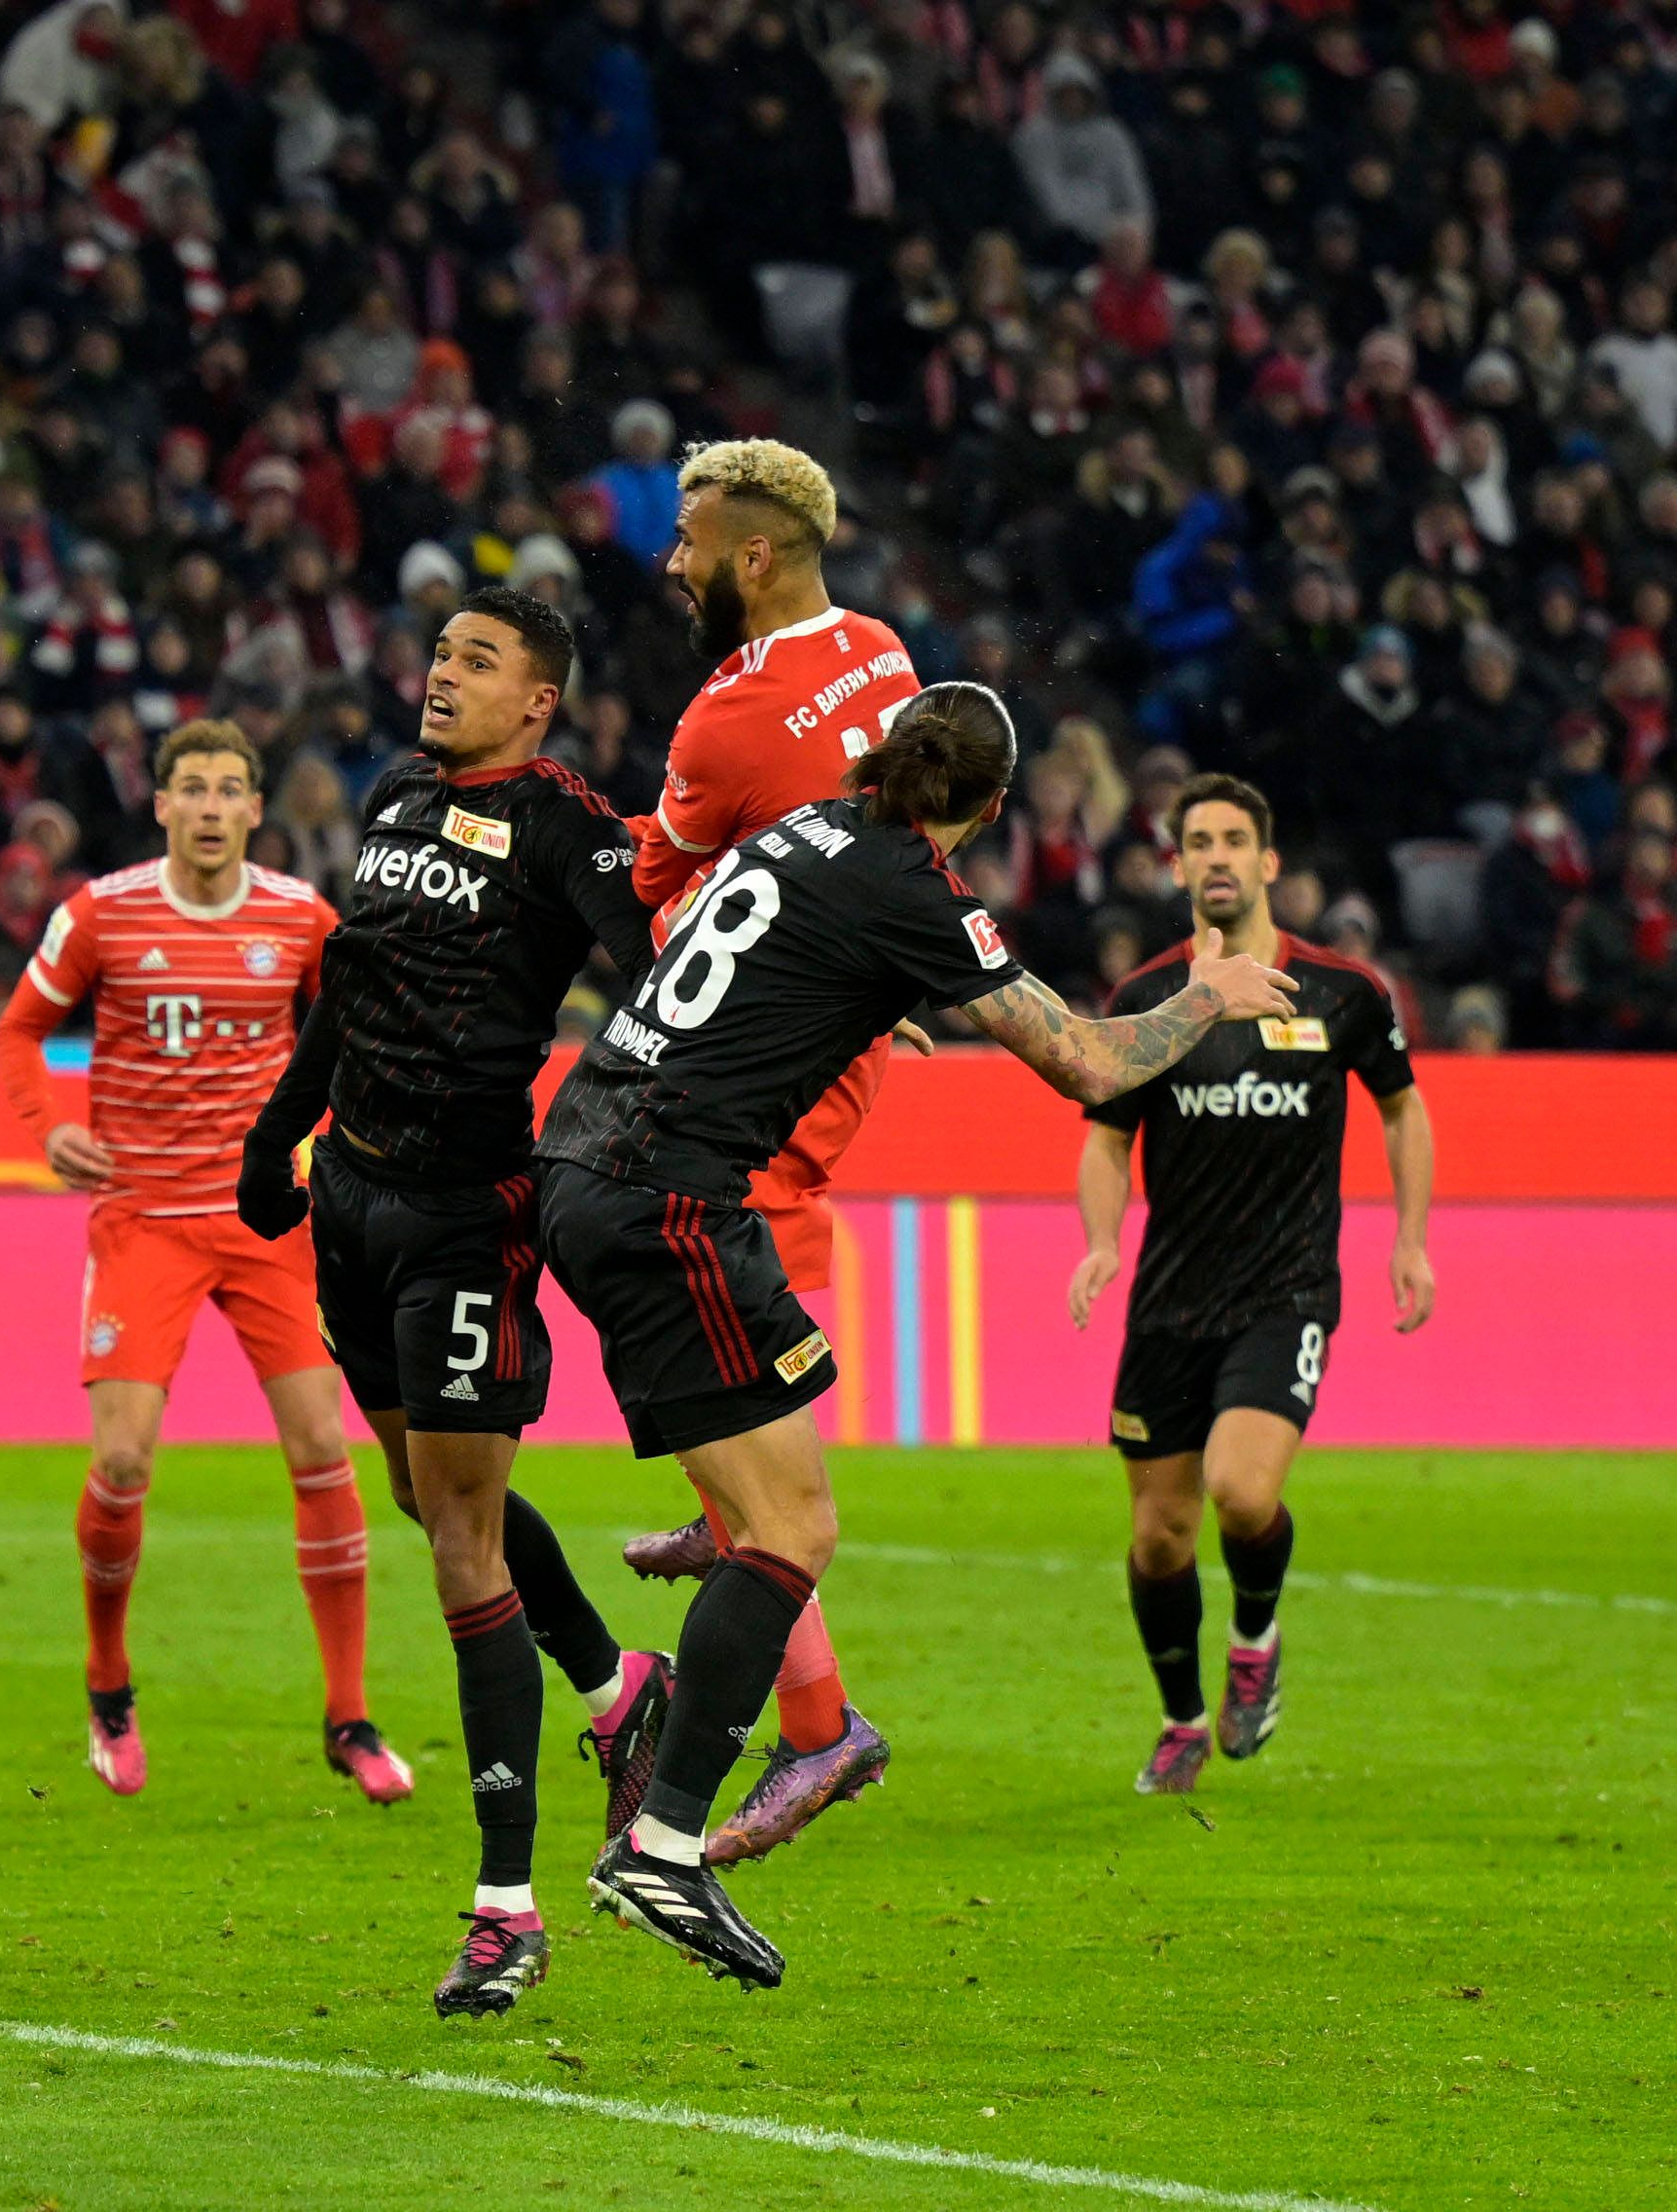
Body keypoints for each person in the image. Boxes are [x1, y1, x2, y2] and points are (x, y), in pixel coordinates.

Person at [534, 684, 1295, 1989]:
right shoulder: (912, 888)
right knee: (793, 1534)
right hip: (668, 1200)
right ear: (989, 808)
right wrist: (1206, 996)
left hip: (585, 1162)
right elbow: (1094, 1066)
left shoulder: (803, 831)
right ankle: (663, 1839)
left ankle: (674, 1749)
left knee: (749, 1517)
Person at [232, 587, 660, 2018]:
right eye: (439, 654)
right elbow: (347, 991)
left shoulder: (569, 827)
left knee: (461, 1550)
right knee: (425, 1495)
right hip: (349, 1198)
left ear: (538, 697)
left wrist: (613, 1134)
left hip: (467, 1221)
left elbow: (659, 982)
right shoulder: (400, 799)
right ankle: (620, 1693)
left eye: (478, 660)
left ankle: (505, 1910)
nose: (442, 675)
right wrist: (273, 1134)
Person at [0, 719, 408, 1805]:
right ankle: (108, 1679)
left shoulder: (298, 917)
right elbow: (18, 1032)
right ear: (163, 805)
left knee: (323, 1442)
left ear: (255, 809)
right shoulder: (102, 913)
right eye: (193, 788)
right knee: (124, 1462)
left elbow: (363, 1028)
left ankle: (349, 1713)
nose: (213, 806)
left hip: (266, 1222)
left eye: (231, 788)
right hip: (143, 1220)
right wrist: (44, 1127)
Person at [613, 437, 924, 1865]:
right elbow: (915, 853)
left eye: (688, 539)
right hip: (842, 1038)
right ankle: (720, 1493)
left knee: (693, 1286)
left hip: (766, 1070)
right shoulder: (884, 654)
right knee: (684, 1293)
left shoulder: (725, 718)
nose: (670, 561)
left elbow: (655, 888)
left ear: (752, 553)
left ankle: (821, 1734)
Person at [1068, 773, 1434, 1796]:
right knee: (1158, 1536)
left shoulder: (1342, 992)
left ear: (1268, 863)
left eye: (1235, 839)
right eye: (1199, 841)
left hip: (1288, 1290)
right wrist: (1100, 1240)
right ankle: (1183, 1718)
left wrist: (1409, 1239)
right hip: (1168, 1299)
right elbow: (1105, 1136)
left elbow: (1403, 1111)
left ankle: (1255, 1635)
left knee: (1240, 1488)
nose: (1217, 856)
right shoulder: (1146, 1001)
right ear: (1176, 864)